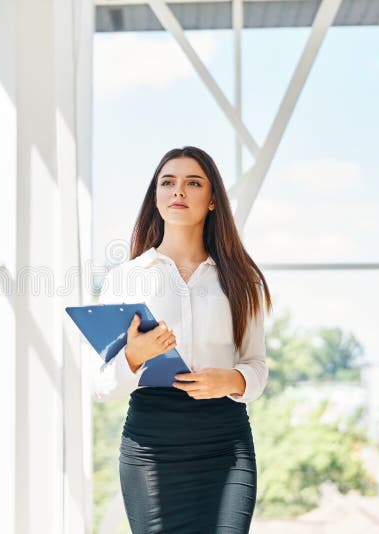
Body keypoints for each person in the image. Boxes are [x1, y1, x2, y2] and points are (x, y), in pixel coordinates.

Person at [90, 146, 272, 533]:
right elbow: (102, 385)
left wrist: (232, 380)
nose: (178, 191)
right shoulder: (125, 279)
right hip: (151, 443)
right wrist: (134, 357)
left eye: (193, 183)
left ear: (211, 201)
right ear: (155, 197)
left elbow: (256, 365)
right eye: (168, 182)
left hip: (225, 441)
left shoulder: (242, 280)